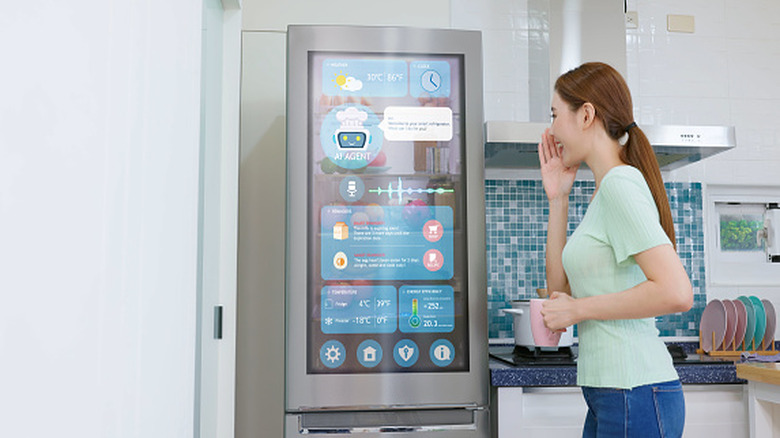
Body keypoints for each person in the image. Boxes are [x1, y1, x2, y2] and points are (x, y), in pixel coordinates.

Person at [537, 62, 693, 438]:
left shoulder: (620, 184)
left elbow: (676, 292)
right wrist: (558, 200)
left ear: (586, 114)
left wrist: (577, 310)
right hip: (613, 392)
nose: (552, 130)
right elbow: (562, 288)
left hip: (635, 390)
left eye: (556, 115)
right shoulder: (604, 190)